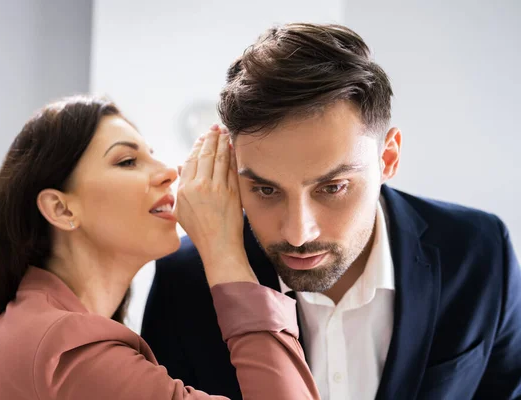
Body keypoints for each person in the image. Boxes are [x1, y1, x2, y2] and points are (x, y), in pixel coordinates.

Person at [141, 23, 521, 400]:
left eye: (332, 188)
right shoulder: (186, 276)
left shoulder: (480, 251)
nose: (297, 233)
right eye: (266, 189)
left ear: (387, 158)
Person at [0, 95, 319, 399]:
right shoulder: (70, 351)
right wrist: (223, 251)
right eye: (127, 161)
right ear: (61, 208)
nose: (169, 171)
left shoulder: (40, 329)